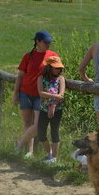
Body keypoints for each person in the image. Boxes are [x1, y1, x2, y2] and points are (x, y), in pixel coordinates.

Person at [13, 30, 57, 158]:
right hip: (25, 92)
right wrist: (15, 93)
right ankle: (29, 152)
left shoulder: (53, 56)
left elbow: (58, 73)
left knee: (37, 125)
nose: (48, 44)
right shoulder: (28, 56)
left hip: (41, 95)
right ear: (37, 42)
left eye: (49, 42)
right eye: (46, 42)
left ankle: (19, 144)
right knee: (27, 122)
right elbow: (21, 75)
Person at [36, 55, 65, 163]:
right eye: (56, 67)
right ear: (49, 67)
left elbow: (61, 94)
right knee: (41, 132)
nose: (59, 70)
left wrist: (53, 105)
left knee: (54, 132)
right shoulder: (41, 78)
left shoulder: (61, 79)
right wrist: (55, 97)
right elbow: (41, 92)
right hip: (44, 108)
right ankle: (49, 153)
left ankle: (54, 158)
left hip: (57, 109)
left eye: (59, 68)